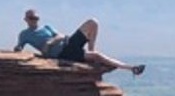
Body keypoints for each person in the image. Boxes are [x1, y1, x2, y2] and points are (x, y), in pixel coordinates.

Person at [12, 9, 145, 76]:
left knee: (93, 22)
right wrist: (18, 48)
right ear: (26, 19)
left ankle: (91, 49)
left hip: (68, 42)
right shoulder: (24, 34)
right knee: (97, 56)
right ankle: (131, 68)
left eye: (36, 17)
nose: (34, 20)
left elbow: (60, 35)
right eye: (31, 18)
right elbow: (19, 48)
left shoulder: (46, 27)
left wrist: (51, 41)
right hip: (63, 53)